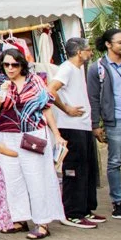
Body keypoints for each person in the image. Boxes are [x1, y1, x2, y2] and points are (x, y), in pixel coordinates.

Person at [0, 47, 66, 239]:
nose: (10, 68)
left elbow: (46, 108)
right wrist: (1, 95)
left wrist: (57, 133)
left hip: (33, 133)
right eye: (6, 64)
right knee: (11, 178)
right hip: (7, 134)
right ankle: (19, 218)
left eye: (14, 64)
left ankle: (42, 221)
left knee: (37, 176)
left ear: (22, 64)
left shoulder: (34, 80)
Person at [86, 28, 121, 219]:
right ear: (108, 44)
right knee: (114, 162)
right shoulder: (98, 68)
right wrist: (95, 124)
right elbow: (93, 98)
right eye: (120, 42)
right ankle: (118, 203)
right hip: (115, 121)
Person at [49, 38, 102, 228]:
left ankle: (86, 207)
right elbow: (51, 90)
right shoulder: (67, 68)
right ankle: (72, 212)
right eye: (88, 50)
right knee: (74, 169)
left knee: (87, 168)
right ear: (79, 52)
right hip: (71, 126)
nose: (91, 53)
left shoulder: (79, 69)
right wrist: (66, 109)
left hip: (83, 125)